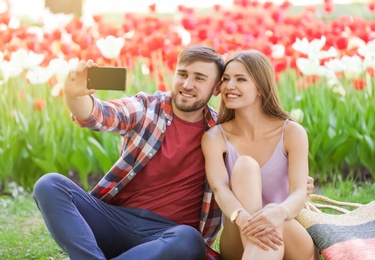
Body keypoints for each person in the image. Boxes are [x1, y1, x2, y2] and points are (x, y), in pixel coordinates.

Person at [33, 45, 315, 260]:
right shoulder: (147, 108)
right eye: (183, 74)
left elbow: (249, 170)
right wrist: (75, 96)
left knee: (189, 239)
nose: (187, 84)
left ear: (215, 88)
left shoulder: (219, 131)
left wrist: (296, 187)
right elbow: (99, 115)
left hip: (169, 235)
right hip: (115, 220)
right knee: (50, 184)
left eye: (199, 78)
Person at [201, 50, 319, 260]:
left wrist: (278, 213)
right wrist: (245, 219)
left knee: (273, 213)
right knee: (245, 165)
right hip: (238, 234)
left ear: (261, 88)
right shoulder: (214, 138)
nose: (229, 86)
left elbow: (299, 193)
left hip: (289, 233)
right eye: (226, 79)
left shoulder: (292, 133)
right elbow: (220, 189)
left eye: (240, 79)